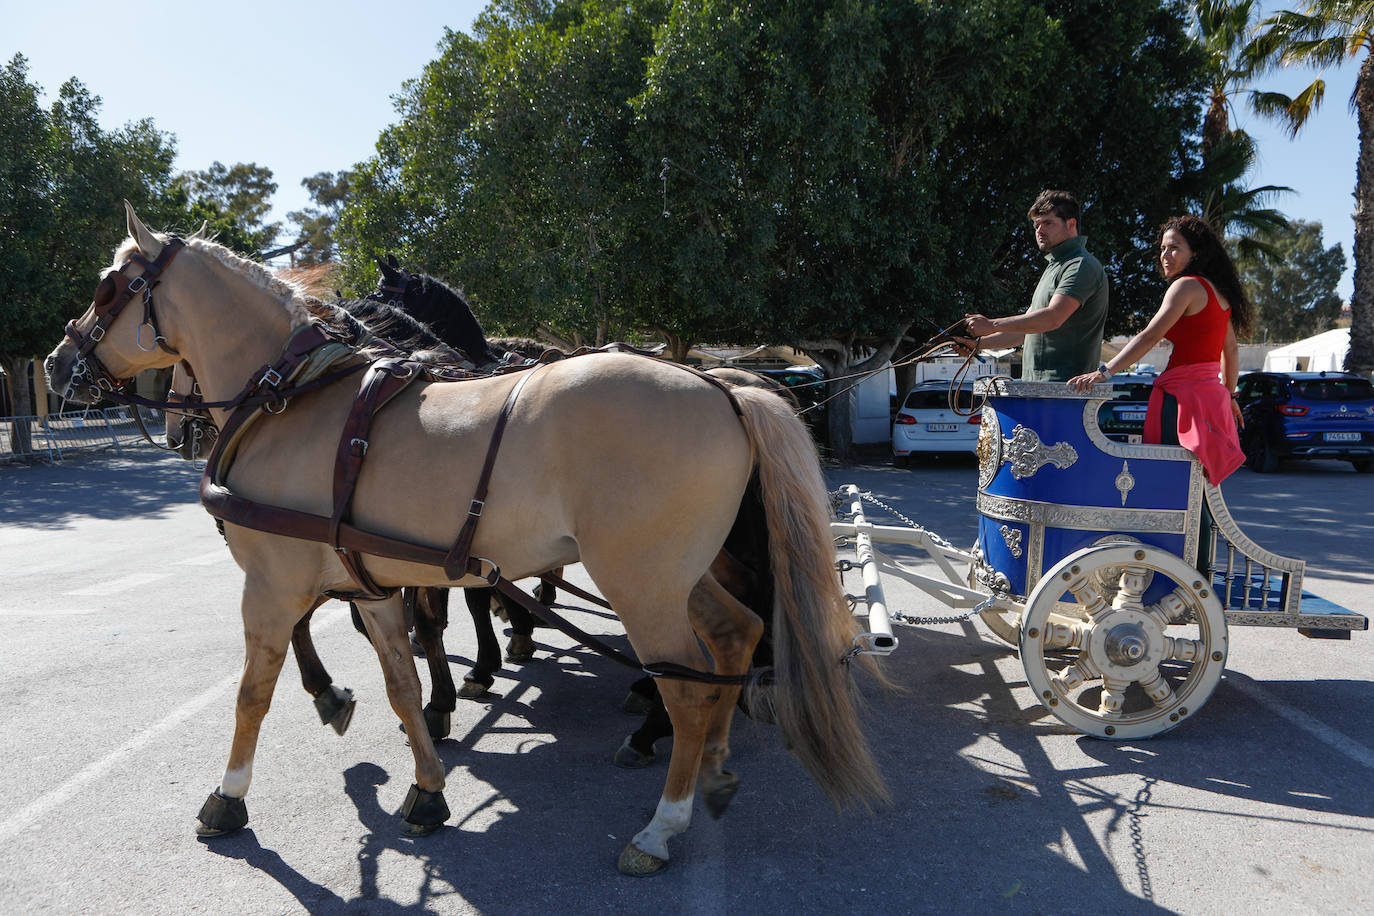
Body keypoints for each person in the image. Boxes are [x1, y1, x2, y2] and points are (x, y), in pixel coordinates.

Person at [1068, 214, 1250, 483]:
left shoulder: (1185, 286)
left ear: (1196, 252)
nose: (1165, 255)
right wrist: (1231, 396)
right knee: (1198, 489)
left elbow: (1150, 335)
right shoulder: (1220, 293)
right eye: (1163, 248)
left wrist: (1104, 372)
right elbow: (1231, 350)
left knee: (1171, 485)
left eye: (1174, 247)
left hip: (1182, 400)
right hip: (1213, 401)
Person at [961, 190, 1109, 381]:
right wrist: (977, 345)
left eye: (1048, 223)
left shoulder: (1081, 265)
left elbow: (1052, 318)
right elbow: (1024, 330)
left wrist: (990, 324)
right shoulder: (1056, 266)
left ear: (1071, 224)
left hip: (1066, 390)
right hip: (1037, 389)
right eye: (1036, 224)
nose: (1039, 230)